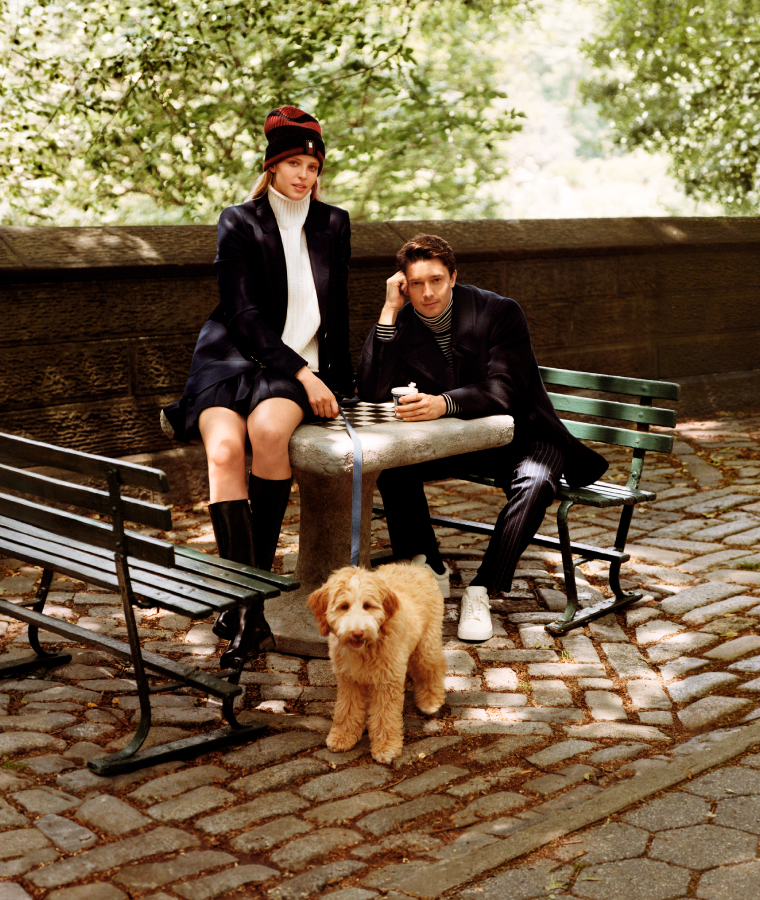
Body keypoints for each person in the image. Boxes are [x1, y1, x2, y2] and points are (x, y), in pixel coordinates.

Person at [163, 106, 354, 668]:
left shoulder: (334, 223)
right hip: (232, 358)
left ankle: (243, 605)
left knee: (269, 433)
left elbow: (338, 310)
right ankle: (249, 609)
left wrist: (339, 383)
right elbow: (243, 313)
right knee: (224, 450)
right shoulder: (239, 221)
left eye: (313, 166)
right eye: (294, 164)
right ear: (272, 167)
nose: (304, 175)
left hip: (298, 367)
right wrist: (302, 374)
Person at [356, 234, 608, 641]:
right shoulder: (402, 320)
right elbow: (370, 390)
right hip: (459, 440)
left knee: (536, 482)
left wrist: (443, 403)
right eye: (416, 284)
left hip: (524, 434)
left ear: (454, 277)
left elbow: (506, 388)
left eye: (436, 280)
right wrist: (388, 310)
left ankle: (482, 589)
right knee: (390, 462)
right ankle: (428, 565)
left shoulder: (499, 311)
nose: (427, 293)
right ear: (403, 285)